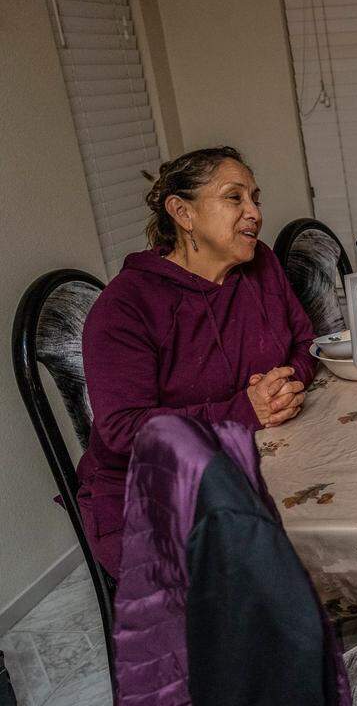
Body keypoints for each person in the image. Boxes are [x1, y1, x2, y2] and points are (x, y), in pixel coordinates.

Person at [77, 146, 317, 579]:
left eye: (255, 199)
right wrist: (245, 411)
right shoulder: (126, 306)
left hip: (257, 458)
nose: (254, 214)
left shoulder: (260, 264)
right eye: (234, 197)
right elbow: (124, 431)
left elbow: (304, 342)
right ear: (182, 212)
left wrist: (286, 385)